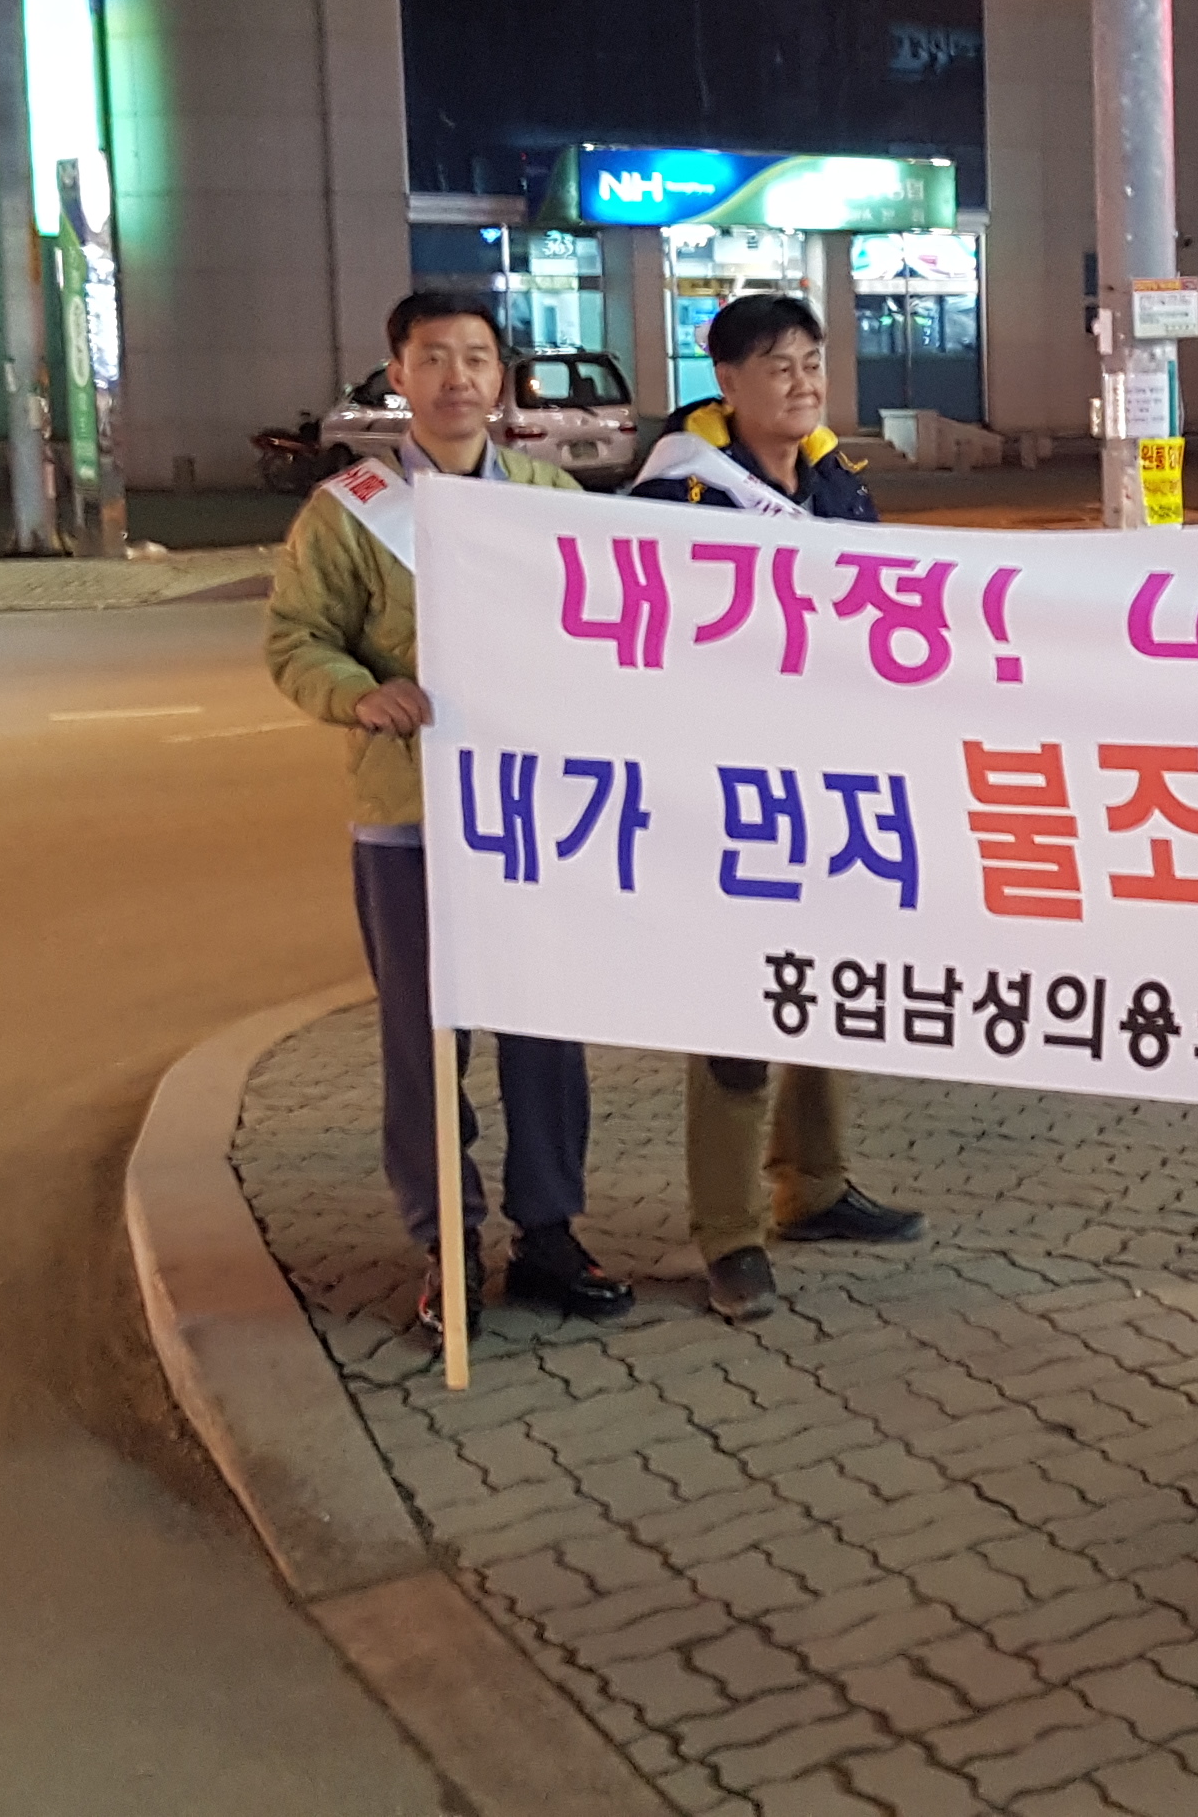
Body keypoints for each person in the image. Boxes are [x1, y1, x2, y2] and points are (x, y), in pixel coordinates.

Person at [265, 290, 633, 1334]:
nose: (456, 377)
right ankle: (448, 1244)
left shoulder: (549, 495)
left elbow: (607, 622)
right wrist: (360, 694)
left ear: (501, 376)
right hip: (410, 814)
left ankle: (549, 1232)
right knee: (427, 1039)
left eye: (475, 357)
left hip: (534, 816)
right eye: (433, 358)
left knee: (546, 1028)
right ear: (398, 376)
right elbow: (297, 640)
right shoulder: (350, 510)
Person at [627, 293, 926, 1322]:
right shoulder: (677, 494)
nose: (801, 383)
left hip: (829, 776)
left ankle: (817, 1185)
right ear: (726, 381)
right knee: (733, 1009)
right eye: (777, 366)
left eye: (811, 362)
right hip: (723, 785)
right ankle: (729, 1234)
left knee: (827, 985)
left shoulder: (836, 482)